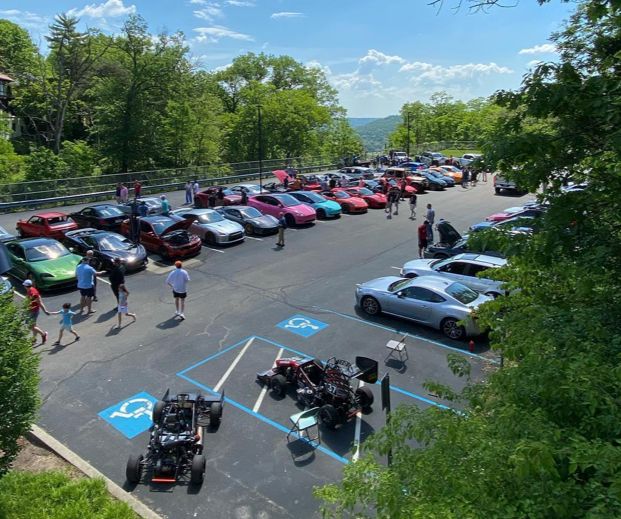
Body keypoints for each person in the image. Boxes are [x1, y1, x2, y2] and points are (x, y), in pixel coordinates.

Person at [23, 279, 49, 344]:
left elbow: (39, 302)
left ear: (26, 286)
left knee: (31, 326)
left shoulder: (33, 293)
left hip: (33, 311)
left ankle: (43, 334)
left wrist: (45, 310)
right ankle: (34, 339)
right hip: (30, 310)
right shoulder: (30, 290)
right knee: (34, 326)